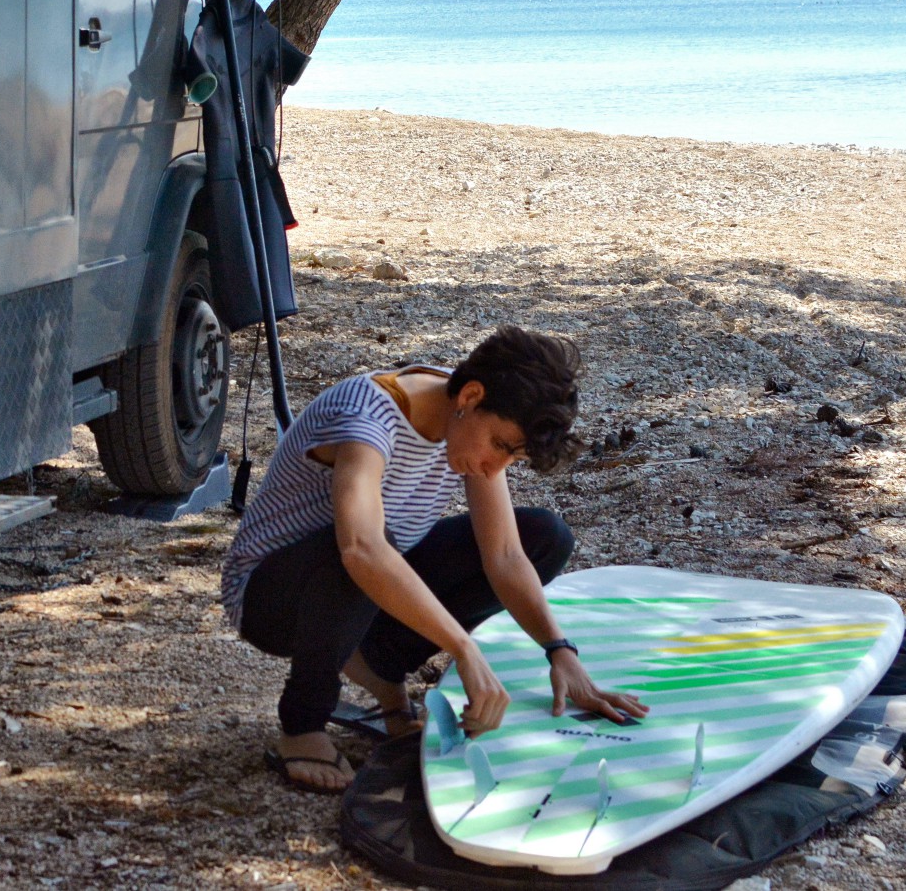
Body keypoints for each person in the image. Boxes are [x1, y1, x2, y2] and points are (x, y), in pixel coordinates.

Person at [220, 325, 647, 793]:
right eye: (500, 446)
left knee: (546, 535)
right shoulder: (369, 416)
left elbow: (503, 555)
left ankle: (378, 666)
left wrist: (559, 651)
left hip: (361, 585)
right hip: (272, 597)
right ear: (470, 395)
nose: (495, 467)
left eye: (511, 457)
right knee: (367, 543)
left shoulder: (464, 421)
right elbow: (360, 548)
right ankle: (302, 725)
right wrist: (464, 650)